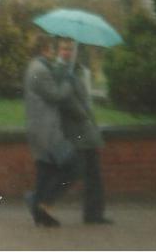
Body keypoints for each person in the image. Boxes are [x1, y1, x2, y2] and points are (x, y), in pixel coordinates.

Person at [56, 38, 113, 225]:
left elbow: (85, 99)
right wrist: (83, 114)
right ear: (59, 51)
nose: (68, 52)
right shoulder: (60, 72)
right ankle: (39, 201)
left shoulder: (79, 72)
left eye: (71, 49)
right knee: (73, 173)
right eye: (64, 49)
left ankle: (94, 213)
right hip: (75, 130)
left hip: (87, 129)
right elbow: (66, 101)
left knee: (93, 173)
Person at [23, 34, 77, 227]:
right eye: (51, 49)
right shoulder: (39, 70)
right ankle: (44, 203)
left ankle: (39, 211)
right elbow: (56, 95)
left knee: (45, 172)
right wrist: (69, 82)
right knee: (73, 166)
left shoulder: (36, 67)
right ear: (44, 49)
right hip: (47, 132)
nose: (54, 52)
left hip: (37, 130)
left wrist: (63, 69)